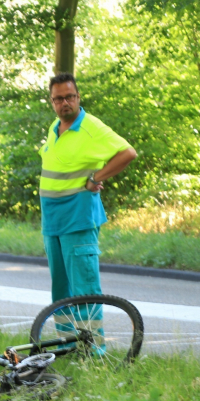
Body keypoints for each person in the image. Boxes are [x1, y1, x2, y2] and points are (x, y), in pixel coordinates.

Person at [39, 73, 137, 304]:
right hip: (53, 221)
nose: (65, 102)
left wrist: (96, 177)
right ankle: (66, 341)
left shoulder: (91, 127)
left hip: (78, 219)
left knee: (83, 289)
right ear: (52, 101)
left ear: (78, 97)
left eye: (69, 97)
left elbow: (128, 153)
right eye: (58, 98)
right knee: (61, 292)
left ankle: (89, 341)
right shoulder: (56, 126)